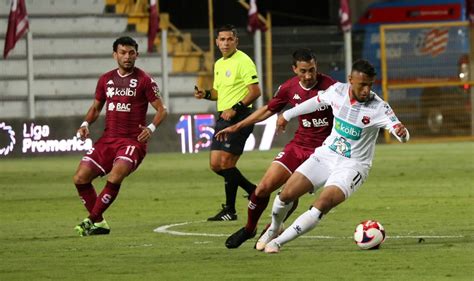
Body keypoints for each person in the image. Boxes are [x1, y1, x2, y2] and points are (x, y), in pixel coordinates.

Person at [259, 59, 410, 253]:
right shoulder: (337, 91)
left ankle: (277, 243)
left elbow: (399, 132)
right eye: (362, 84)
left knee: (322, 203)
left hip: (352, 166)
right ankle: (274, 228)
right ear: (350, 80)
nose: (366, 90)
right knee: (285, 194)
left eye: (370, 85)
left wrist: (401, 133)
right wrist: (288, 115)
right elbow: (315, 102)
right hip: (326, 154)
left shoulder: (379, 107)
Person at [214, 48, 337, 248]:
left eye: (312, 70)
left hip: (322, 152)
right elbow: (268, 110)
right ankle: (249, 228)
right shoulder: (288, 88)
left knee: (289, 194)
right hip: (298, 146)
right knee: (262, 188)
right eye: (303, 71)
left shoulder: (331, 86)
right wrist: (237, 125)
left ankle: (273, 228)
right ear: (294, 69)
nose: (308, 76)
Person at [73, 36, 168, 236]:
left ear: (137, 55)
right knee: (80, 178)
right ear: (115, 55)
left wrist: (150, 128)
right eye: (123, 53)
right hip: (108, 139)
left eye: (131, 53)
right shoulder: (105, 79)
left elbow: (162, 110)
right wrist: (85, 123)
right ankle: (100, 223)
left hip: (133, 141)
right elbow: (96, 107)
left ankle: (90, 221)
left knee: (117, 174)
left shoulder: (144, 80)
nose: (127, 57)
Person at [194, 24, 262, 221]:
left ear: (236, 41)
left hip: (241, 117)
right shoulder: (219, 64)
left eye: (229, 39)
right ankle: (253, 191)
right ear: (217, 42)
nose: (225, 43)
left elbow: (255, 92)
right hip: (223, 117)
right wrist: (205, 94)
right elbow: (218, 93)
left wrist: (236, 109)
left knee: (226, 162)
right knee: (216, 165)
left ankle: (230, 210)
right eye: (222, 39)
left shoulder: (244, 61)